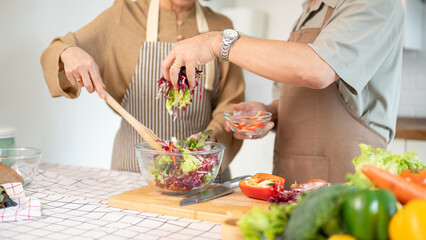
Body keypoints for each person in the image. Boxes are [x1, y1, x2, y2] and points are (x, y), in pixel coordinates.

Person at [160, 0, 405, 187]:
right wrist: (269, 112)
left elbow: (317, 69)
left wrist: (216, 42)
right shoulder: (309, 11)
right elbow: (305, 92)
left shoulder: (374, 3)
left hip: (345, 185)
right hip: (293, 182)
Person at [40, 0, 245, 182]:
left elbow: (231, 100)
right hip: (134, 174)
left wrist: (212, 137)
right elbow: (56, 51)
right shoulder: (123, 14)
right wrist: (68, 53)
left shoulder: (220, 28)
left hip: (202, 175)